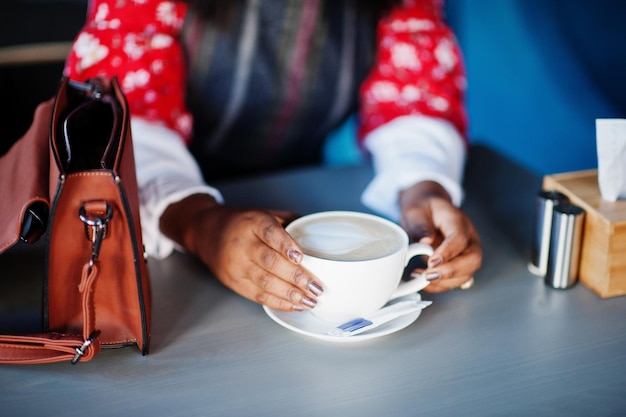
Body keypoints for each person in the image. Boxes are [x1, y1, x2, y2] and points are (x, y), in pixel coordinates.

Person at [64, 0, 482, 312]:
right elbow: (116, 118)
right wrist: (200, 225)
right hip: (157, 229)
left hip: (299, 196)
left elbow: (416, 99)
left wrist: (424, 194)